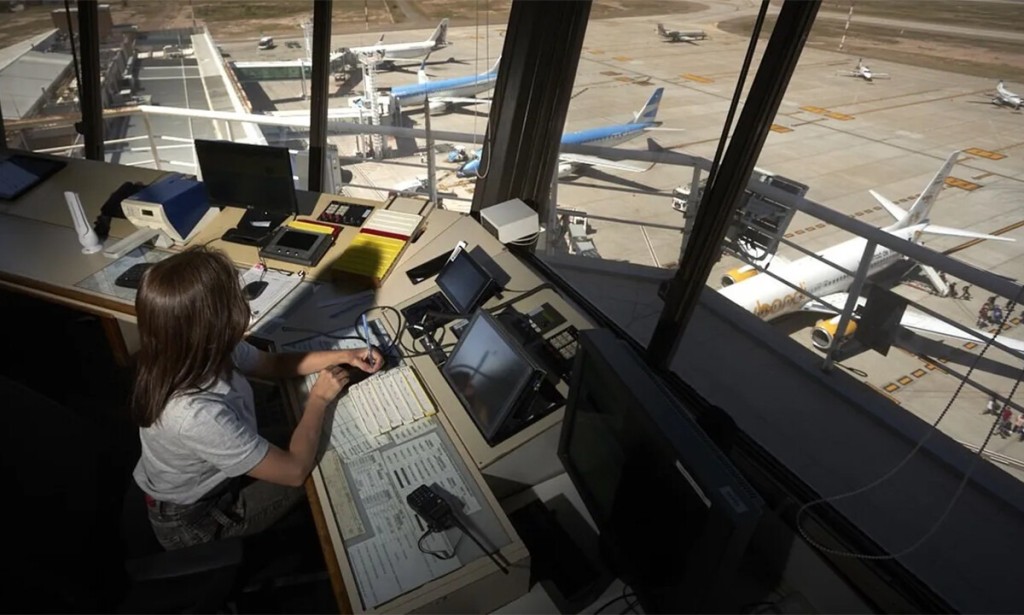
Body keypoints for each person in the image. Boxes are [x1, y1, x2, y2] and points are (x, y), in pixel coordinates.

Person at [131, 247, 383, 550]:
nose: (245, 305)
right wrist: (318, 400)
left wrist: (346, 354)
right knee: (329, 458)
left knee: (313, 433)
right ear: (211, 325)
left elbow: (273, 364)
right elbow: (293, 471)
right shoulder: (193, 415)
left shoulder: (195, 349)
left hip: (214, 473)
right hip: (198, 517)